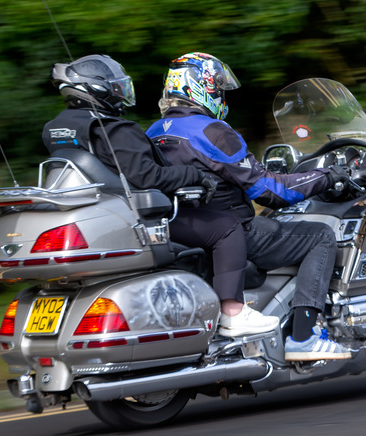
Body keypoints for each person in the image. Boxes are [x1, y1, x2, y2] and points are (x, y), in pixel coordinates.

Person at [43, 54, 278, 337]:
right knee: (226, 227)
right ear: (99, 89)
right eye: (117, 86)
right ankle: (233, 313)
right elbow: (148, 177)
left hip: (103, 214)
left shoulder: (57, 130)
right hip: (140, 216)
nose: (122, 93)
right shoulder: (117, 130)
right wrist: (194, 176)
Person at [146, 52, 353, 361]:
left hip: (182, 228)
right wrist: (326, 177)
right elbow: (270, 191)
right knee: (319, 236)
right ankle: (304, 335)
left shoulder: (154, 131)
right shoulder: (212, 131)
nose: (222, 96)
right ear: (202, 88)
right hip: (233, 229)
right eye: (220, 88)